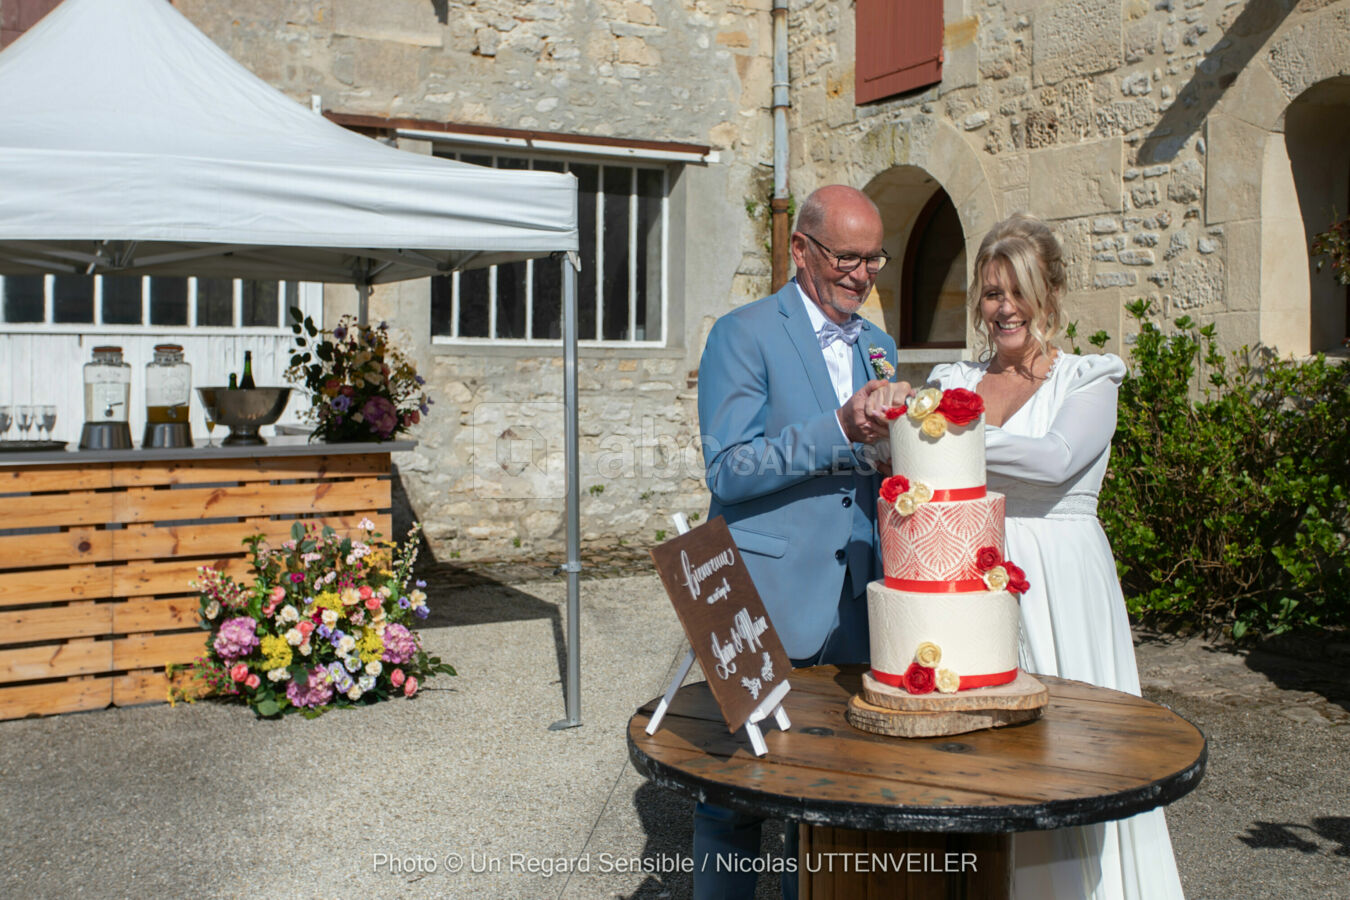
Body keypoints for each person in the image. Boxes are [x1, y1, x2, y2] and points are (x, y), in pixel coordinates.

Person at [871, 212, 1185, 899]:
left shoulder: (1088, 377)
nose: (1003, 307)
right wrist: (892, 411)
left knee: (1075, 751)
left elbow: (1056, 460)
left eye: (1018, 290)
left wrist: (945, 424)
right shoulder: (957, 375)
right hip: (969, 582)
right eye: (990, 292)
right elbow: (905, 452)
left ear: (1051, 293)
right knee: (990, 756)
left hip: (1061, 578)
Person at [694, 184, 897, 899]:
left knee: (836, 795)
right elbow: (729, 466)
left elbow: (869, 475)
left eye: (875, 258)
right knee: (735, 799)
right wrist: (839, 428)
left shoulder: (879, 343)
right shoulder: (741, 333)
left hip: (856, 596)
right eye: (847, 256)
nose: (863, 274)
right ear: (800, 250)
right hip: (759, 594)